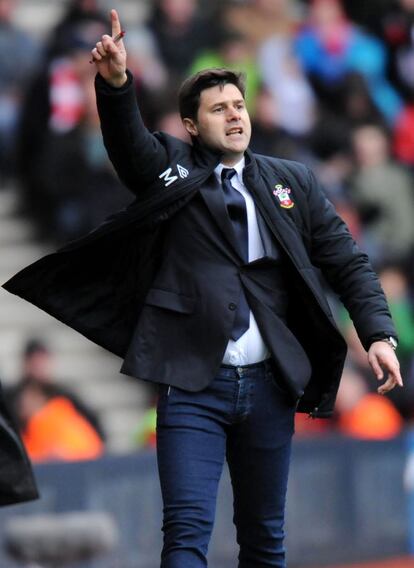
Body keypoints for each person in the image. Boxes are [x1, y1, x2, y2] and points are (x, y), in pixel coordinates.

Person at [3, 9, 403, 567]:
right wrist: (117, 84)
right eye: (219, 109)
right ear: (191, 126)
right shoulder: (172, 167)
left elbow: (347, 261)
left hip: (270, 386)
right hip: (192, 384)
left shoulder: (294, 181)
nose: (235, 115)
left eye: (239, 105)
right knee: (186, 535)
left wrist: (379, 333)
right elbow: (130, 146)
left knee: (265, 538)